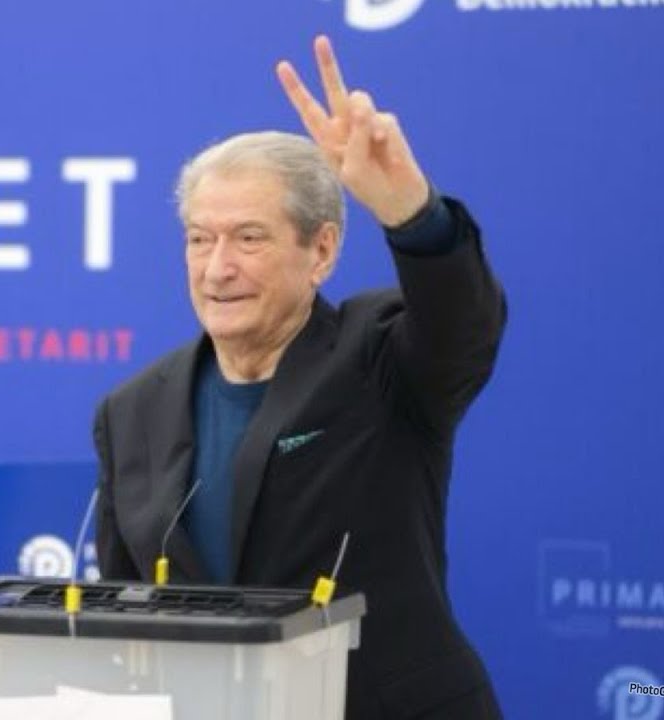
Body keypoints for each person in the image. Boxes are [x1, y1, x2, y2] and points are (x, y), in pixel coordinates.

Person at [92, 36, 505, 719]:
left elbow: (462, 326)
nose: (217, 268)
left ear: (322, 250)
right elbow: (124, 614)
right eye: (200, 239)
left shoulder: (380, 359)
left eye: (249, 238)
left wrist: (414, 215)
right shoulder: (130, 411)